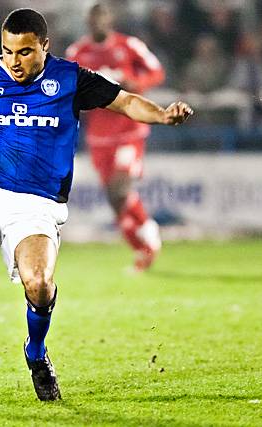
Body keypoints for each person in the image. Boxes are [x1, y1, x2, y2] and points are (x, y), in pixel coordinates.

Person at [0, 8, 192, 401]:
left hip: (36, 204)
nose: (14, 62)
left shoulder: (70, 78)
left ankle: (35, 352)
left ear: (44, 47)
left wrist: (164, 116)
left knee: (40, 284)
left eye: (25, 52)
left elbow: (126, 101)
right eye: (8, 51)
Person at [66, 2, 166, 271]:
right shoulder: (77, 52)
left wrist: (134, 81)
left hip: (128, 131)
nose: (98, 23)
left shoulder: (130, 45)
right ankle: (142, 246)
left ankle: (147, 229)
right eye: (93, 19)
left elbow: (156, 71)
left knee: (119, 189)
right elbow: (67, 88)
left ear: (110, 20)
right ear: (88, 23)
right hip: (98, 137)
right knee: (115, 200)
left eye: (103, 18)